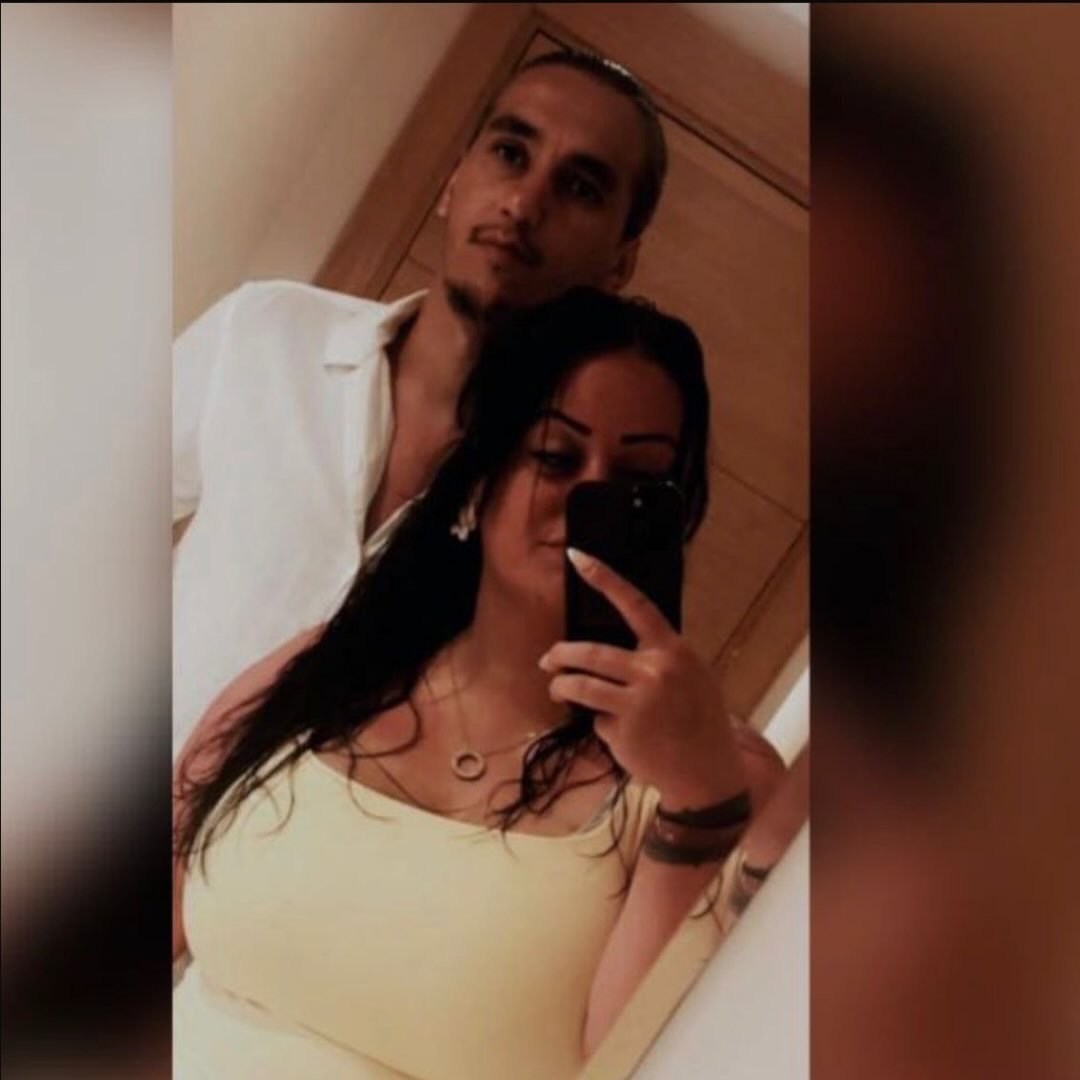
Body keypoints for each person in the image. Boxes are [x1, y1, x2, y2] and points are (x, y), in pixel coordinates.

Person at [172, 289, 786, 1080]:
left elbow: (644, 1061)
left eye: (638, 481)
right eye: (556, 457)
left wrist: (700, 805)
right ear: (479, 479)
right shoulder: (325, 670)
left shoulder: (711, 780)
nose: (587, 497)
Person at [172, 49, 670, 756]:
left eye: (580, 187)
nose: (524, 204)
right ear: (452, 181)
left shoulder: (564, 499)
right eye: (510, 153)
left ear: (621, 261)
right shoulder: (267, 332)